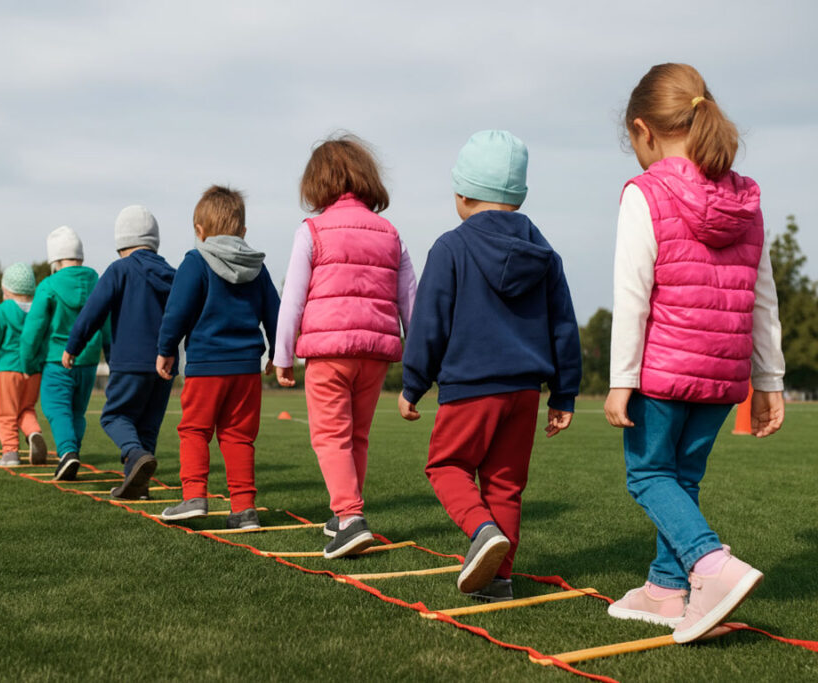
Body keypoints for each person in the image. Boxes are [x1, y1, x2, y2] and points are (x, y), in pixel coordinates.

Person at [603, 63, 785, 643]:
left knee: (649, 475)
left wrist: (620, 378)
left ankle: (711, 566)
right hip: (723, 374)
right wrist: (771, 379)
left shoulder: (646, 192)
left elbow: (632, 292)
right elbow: (764, 297)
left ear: (643, 130)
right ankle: (665, 589)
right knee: (681, 478)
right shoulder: (745, 198)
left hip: (662, 370)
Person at [399, 130, 581, 599]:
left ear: (462, 194)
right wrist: (564, 393)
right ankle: (498, 580)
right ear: (518, 195)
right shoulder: (545, 255)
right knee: (504, 485)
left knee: (446, 466)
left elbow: (429, 321)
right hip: (524, 392)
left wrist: (413, 382)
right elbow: (563, 325)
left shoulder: (450, 247)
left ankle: (481, 532)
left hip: (471, 386)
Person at [274, 133, 417, 559]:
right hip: (375, 353)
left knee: (330, 436)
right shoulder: (390, 232)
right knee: (357, 435)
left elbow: (293, 297)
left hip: (328, 352)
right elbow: (412, 299)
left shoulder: (312, 230)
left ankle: (350, 518)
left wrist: (283, 355)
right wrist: (422, 358)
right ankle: (343, 515)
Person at [156, 186, 280, 530]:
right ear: (243, 231)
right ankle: (244, 509)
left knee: (194, 429)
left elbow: (176, 311)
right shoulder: (258, 268)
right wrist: (277, 351)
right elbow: (275, 312)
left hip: (206, 367)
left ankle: (194, 496)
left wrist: (166, 349)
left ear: (199, 230)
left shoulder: (195, 261)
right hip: (246, 370)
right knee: (239, 436)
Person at [64, 206, 175, 500]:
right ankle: (136, 485)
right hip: (166, 366)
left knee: (114, 416)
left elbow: (93, 312)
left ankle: (134, 454)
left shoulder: (120, 270)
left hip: (129, 362)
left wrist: (73, 345)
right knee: (148, 425)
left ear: (120, 244)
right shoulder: (172, 274)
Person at [20, 226, 110, 481]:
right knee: (76, 412)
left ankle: (68, 453)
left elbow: (33, 329)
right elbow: (107, 322)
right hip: (90, 360)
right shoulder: (97, 281)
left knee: (55, 407)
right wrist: (110, 354)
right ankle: (72, 453)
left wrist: (27, 362)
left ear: (55, 261)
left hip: (57, 360)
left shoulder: (48, 285)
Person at [0, 262, 48, 467]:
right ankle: (33, 433)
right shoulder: (39, 310)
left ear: (6, 289)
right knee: (26, 408)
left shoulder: (1, 311)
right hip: (33, 370)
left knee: (6, 411)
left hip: (8, 369)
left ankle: (10, 452)